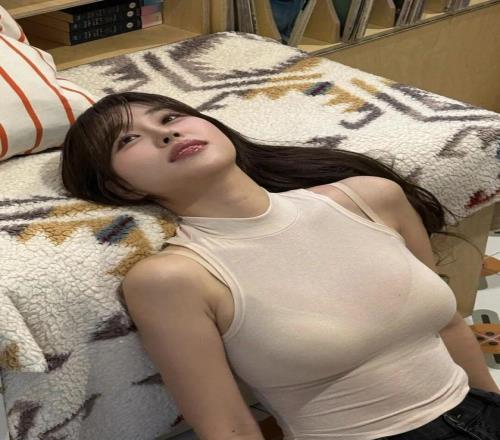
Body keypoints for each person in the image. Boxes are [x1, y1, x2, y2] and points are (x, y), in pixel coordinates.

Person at [61, 91, 500, 440]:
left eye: (170, 117)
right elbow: (229, 427)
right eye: (128, 140)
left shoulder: (371, 196)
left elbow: (449, 326)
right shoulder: (172, 279)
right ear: (119, 187)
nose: (166, 133)